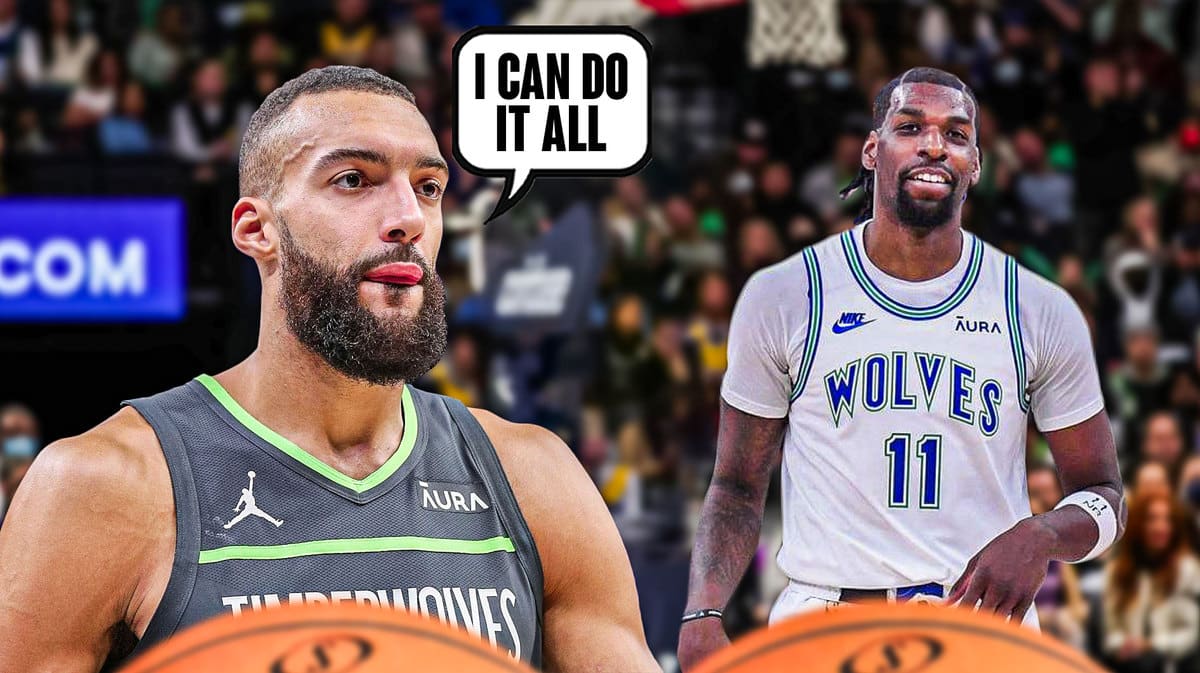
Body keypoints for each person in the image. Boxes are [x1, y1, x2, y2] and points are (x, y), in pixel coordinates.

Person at [0, 66, 656, 672]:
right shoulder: (105, 486)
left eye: (428, 188)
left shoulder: (534, 478)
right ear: (258, 230)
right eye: (353, 180)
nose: (407, 218)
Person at [679, 67, 1126, 669]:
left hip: (983, 632)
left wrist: (1041, 535)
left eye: (956, 133)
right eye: (910, 126)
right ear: (872, 150)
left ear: (976, 163)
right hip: (828, 627)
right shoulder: (784, 295)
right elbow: (736, 483)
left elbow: (1104, 495)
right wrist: (704, 612)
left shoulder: (1038, 309)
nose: (934, 145)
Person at [1103, 492, 1200, 673]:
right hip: (1126, 664)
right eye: (1152, 519)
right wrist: (1123, 644)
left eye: (1167, 520)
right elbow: (1110, 632)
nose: (1161, 527)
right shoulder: (1117, 571)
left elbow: (1191, 634)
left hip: (1172, 663)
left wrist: (1150, 645)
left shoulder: (1189, 570)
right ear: (1139, 524)